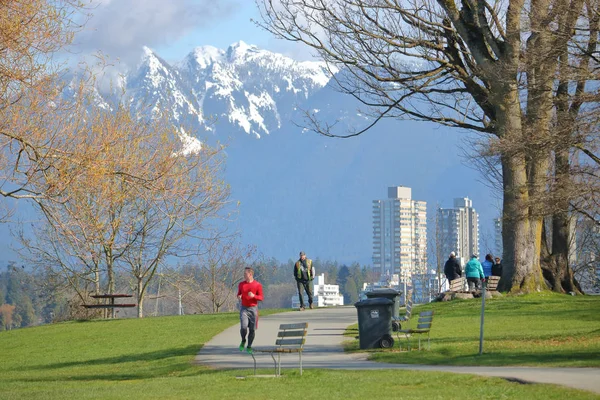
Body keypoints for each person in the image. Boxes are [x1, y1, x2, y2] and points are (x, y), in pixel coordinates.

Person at [237, 267, 263, 354]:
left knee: (252, 330)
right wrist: (239, 296)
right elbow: (239, 293)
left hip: (253, 309)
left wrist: (253, 296)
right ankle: (243, 340)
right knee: (243, 327)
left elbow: (261, 297)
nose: (244, 275)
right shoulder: (241, 284)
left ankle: (249, 346)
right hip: (244, 308)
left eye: (245, 274)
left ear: (250, 274)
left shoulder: (257, 285)